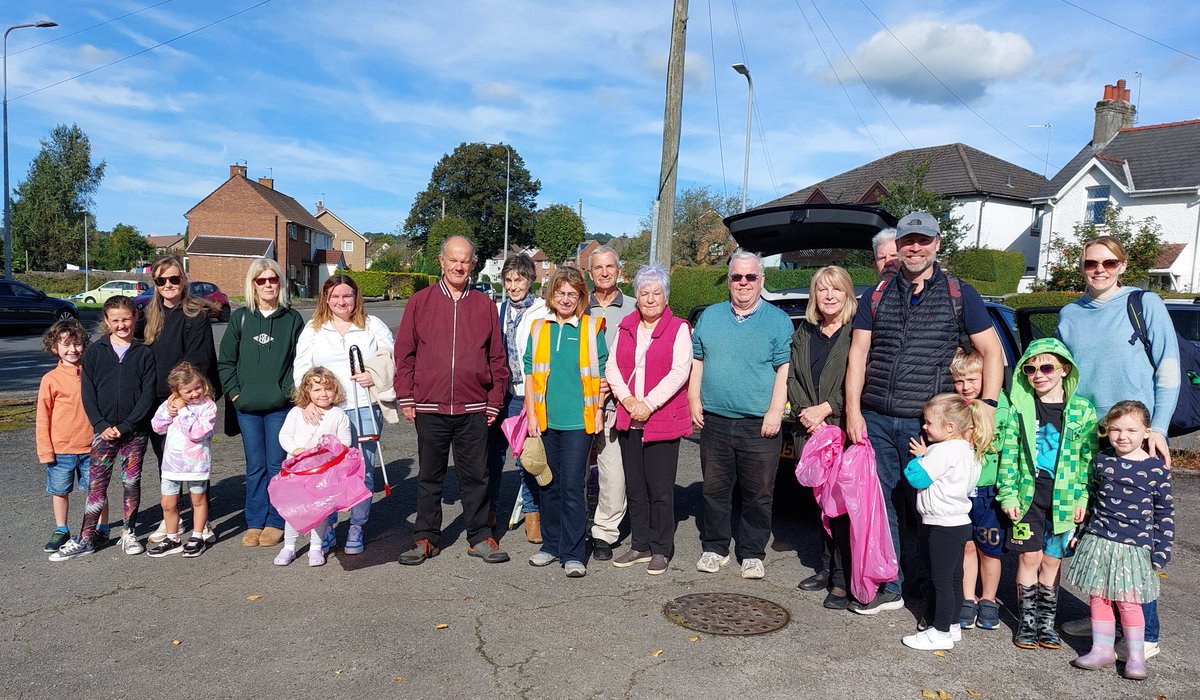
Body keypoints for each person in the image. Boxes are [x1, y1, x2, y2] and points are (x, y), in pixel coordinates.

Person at [844, 211, 1004, 614]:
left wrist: (985, 405)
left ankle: (934, 590)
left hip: (929, 423)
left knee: (931, 509)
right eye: (908, 240)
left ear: (937, 244)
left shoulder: (959, 293)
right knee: (883, 505)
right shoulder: (877, 294)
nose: (915, 247)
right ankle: (892, 585)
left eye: (923, 240)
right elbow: (858, 354)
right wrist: (852, 411)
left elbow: (991, 353)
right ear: (897, 245)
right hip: (876, 417)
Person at [1057, 235, 1178, 656]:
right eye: (1091, 263)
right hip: (1089, 435)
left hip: (1133, 434)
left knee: (1134, 536)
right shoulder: (1070, 314)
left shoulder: (1145, 305)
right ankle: (1101, 616)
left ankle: (1146, 635)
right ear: (1082, 267)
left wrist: (1157, 428)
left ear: (1123, 265)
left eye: (1109, 262)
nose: (1100, 270)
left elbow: (1168, 368)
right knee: (1096, 527)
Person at [395, 236, 510, 566]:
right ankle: (425, 538)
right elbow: (405, 354)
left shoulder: (485, 305)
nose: (459, 266)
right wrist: (406, 396)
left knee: (476, 477)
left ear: (473, 264)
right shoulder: (420, 302)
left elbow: (496, 358)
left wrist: (493, 400)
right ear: (441, 261)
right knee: (430, 477)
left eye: (466, 260)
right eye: (453, 259)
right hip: (430, 407)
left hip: (473, 409)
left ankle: (478, 537)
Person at [689, 249, 793, 580]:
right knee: (715, 490)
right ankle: (715, 547)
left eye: (750, 277)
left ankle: (751, 552)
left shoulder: (777, 320)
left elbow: (783, 369)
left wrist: (776, 411)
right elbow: (697, 360)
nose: (744, 282)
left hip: (758, 424)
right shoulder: (710, 316)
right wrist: (693, 398)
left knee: (758, 493)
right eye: (737, 277)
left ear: (761, 280)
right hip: (715, 421)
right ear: (729, 281)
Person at [997, 338, 1097, 650]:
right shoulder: (1020, 408)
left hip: (1065, 499)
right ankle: (1026, 624)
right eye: (1030, 368)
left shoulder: (1082, 410)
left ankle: (1046, 624)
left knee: (1052, 561)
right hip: (1028, 497)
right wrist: (1008, 494)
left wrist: (1083, 497)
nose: (1039, 374)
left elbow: (1087, 460)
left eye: (1047, 367)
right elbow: (1009, 455)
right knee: (1029, 556)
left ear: (1065, 370)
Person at [1066, 401, 1173, 681]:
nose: (1122, 436)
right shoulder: (1102, 460)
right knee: (1098, 596)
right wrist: (1080, 534)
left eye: (1130, 430)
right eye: (1115, 429)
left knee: (1129, 601)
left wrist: (1161, 550)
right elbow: (1092, 501)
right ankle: (1101, 648)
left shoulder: (1155, 469)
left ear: (1147, 433)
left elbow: (1164, 513)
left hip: (1133, 548)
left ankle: (1136, 655)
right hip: (1099, 541)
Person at [51, 296, 156, 561]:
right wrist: (101, 424)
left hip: (134, 431)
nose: (122, 325)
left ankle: (129, 533)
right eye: (116, 320)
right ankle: (86, 538)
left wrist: (128, 425)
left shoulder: (144, 352)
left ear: (135, 318)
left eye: (126, 319)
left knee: (131, 482)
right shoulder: (95, 352)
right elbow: (88, 393)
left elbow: (148, 394)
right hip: (103, 432)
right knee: (97, 485)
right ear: (107, 322)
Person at [295, 274, 393, 555]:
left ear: (356, 298)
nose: (341, 301)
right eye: (335, 296)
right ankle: (327, 531)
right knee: (328, 474)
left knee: (361, 471)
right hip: (327, 413)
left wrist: (374, 376)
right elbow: (301, 368)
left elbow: (392, 357)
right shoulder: (314, 329)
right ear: (326, 299)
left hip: (364, 407)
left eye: (347, 296)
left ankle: (357, 527)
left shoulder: (372, 325)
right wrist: (307, 403)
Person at [605, 264, 691, 575]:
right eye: (644, 293)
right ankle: (639, 545)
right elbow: (612, 367)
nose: (650, 298)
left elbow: (680, 372)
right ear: (637, 297)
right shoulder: (626, 325)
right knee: (636, 488)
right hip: (630, 418)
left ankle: (661, 548)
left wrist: (649, 404)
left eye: (656, 293)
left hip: (661, 419)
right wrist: (627, 401)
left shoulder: (679, 328)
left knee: (661, 489)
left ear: (666, 297)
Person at [524, 266, 608, 578]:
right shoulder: (539, 327)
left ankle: (573, 553)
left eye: (572, 293)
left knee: (573, 487)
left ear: (581, 296)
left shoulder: (590, 328)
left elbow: (601, 373)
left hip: (578, 422)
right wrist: (532, 414)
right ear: (552, 294)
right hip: (546, 421)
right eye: (560, 292)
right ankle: (551, 545)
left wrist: (599, 410)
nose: (566, 298)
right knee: (548, 485)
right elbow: (531, 373)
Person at [219, 258, 305, 549]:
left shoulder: (292, 319)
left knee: (277, 464)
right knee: (255, 465)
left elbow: (300, 362)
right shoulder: (240, 317)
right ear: (253, 285)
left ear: (280, 283)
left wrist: (285, 392)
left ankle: (276, 521)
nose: (268, 285)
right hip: (247, 407)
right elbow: (226, 361)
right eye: (261, 280)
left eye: (273, 279)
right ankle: (255, 520)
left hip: (280, 406)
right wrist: (234, 394)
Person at [787, 266, 856, 606]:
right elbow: (793, 379)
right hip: (811, 431)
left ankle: (843, 579)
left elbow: (860, 381)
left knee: (841, 507)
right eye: (822, 290)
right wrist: (806, 412)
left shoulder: (856, 333)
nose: (829, 296)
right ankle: (825, 568)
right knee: (821, 504)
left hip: (842, 428)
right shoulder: (805, 331)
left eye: (836, 290)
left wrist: (827, 408)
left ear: (847, 294)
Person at [142, 255, 221, 547]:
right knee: (167, 461)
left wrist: (180, 397)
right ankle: (172, 516)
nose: (168, 285)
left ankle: (203, 520)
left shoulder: (195, 314)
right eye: (161, 280)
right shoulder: (149, 316)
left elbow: (198, 360)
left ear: (183, 280)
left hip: (187, 400)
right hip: (159, 402)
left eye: (174, 279)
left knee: (194, 460)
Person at [901, 393, 991, 650]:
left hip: (941, 523)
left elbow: (917, 478)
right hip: (959, 522)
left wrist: (920, 458)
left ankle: (939, 631)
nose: (924, 427)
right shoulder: (967, 449)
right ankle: (951, 626)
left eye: (929, 423)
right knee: (953, 577)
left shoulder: (944, 450)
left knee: (940, 579)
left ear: (950, 427)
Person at [485, 253, 547, 543]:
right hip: (500, 394)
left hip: (529, 397)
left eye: (519, 279)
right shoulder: (497, 309)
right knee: (492, 458)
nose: (513, 285)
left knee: (527, 458)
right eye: (508, 280)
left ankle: (532, 514)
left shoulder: (543, 311)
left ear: (530, 279)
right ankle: (491, 512)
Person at [947, 349, 1010, 632]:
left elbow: (1008, 447)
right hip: (961, 489)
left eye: (972, 380)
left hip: (988, 490)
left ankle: (989, 598)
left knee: (990, 549)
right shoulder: (953, 406)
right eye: (959, 381)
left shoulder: (1001, 407)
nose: (966, 387)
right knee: (967, 546)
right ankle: (968, 599)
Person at [583, 245, 637, 561]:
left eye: (609, 267)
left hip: (615, 403)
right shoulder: (577, 305)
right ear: (590, 273)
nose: (604, 272)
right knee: (574, 469)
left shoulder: (633, 307)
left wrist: (617, 387)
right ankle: (573, 527)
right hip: (579, 402)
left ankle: (605, 532)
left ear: (619, 270)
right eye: (598, 268)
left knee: (613, 472)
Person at [37, 319, 108, 552]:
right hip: (61, 449)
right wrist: (45, 450)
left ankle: (102, 528)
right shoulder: (50, 379)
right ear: (54, 347)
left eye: (77, 344)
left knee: (96, 490)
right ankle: (61, 529)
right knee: (59, 491)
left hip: (92, 446)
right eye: (65, 344)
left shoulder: (91, 373)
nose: (72, 349)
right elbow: (43, 418)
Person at [273, 367, 352, 568]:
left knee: (319, 512)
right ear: (307, 392)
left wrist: (330, 450)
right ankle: (289, 547)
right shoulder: (297, 412)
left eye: (328, 389)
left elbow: (345, 442)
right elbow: (284, 435)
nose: (323, 394)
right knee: (293, 510)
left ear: (335, 390)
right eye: (317, 390)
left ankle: (316, 547)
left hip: (322, 473)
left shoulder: (338, 415)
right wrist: (294, 449)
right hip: (296, 471)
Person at [147, 361, 218, 559]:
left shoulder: (208, 406)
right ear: (176, 391)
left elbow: (198, 433)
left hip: (196, 463)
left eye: (198, 387)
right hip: (171, 464)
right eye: (188, 391)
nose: (195, 393)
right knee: (168, 503)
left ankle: (197, 536)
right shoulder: (171, 404)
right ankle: (172, 538)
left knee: (198, 499)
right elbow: (157, 427)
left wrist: (184, 411)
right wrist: (168, 414)